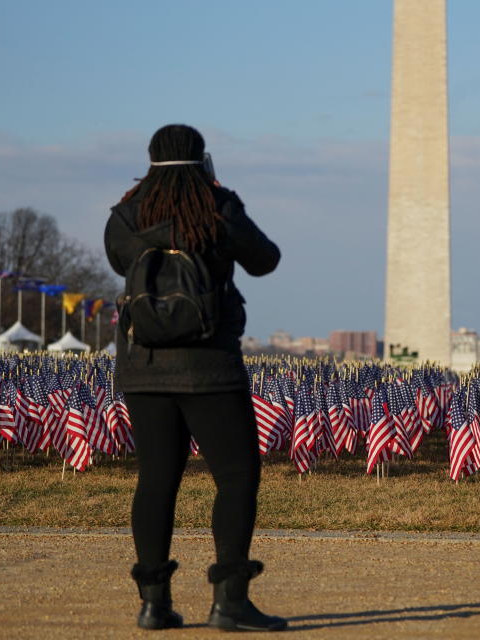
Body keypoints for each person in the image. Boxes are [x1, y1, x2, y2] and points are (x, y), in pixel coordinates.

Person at [104, 124, 286, 631]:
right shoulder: (216, 205)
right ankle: (229, 600)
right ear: (202, 158)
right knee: (235, 476)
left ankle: (153, 603)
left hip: (143, 363)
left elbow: (119, 260)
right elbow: (265, 260)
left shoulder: (127, 212)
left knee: (157, 480)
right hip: (209, 364)